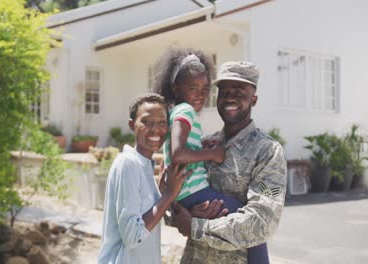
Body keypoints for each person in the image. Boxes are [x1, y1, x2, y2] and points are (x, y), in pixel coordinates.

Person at [154, 48, 270, 263]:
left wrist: (196, 224)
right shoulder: (196, 127)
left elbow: (261, 224)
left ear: (254, 99)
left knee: (250, 227)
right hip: (195, 255)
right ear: (176, 88)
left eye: (240, 92)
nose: (230, 97)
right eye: (224, 92)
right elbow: (177, 160)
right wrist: (176, 210)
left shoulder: (268, 152)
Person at [98, 94, 192, 264]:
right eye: (147, 122)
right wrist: (168, 195)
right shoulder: (128, 163)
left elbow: (149, 220)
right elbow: (133, 236)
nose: (155, 129)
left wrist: (161, 193)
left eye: (162, 123)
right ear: (132, 124)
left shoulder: (145, 167)